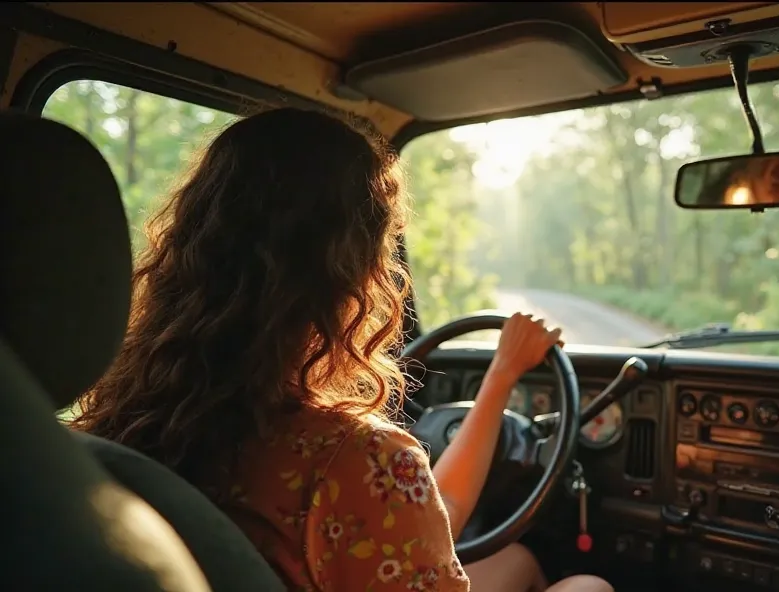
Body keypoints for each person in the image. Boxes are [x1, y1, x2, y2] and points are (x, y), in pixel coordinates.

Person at [69, 108, 612, 592]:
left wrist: (499, 377)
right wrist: (504, 375)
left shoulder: (111, 425)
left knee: (514, 559)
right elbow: (417, 520)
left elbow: (424, 520)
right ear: (352, 273)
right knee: (587, 585)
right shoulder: (356, 459)